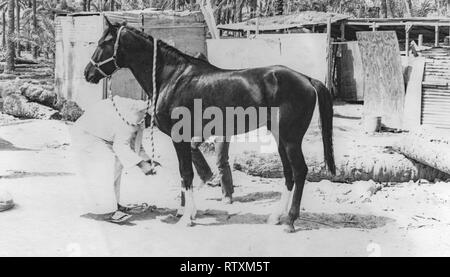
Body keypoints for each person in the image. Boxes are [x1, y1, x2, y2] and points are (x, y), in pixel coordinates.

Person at [71, 95, 157, 223]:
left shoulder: (141, 115)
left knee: (118, 165)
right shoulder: (131, 116)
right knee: (108, 167)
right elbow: (121, 146)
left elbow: (135, 143)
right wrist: (142, 165)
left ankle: (115, 205)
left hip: (103, 135)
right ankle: (108, 211)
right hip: (88, 134)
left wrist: (148, 160)